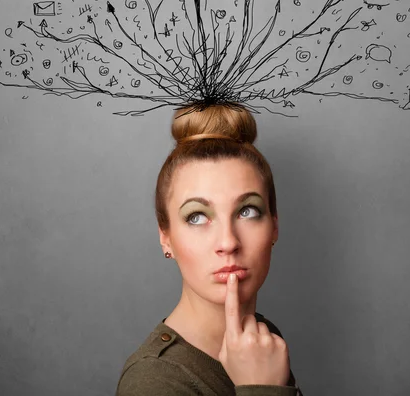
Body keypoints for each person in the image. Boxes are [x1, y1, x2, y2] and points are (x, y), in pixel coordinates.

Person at [116, 102, 303, 395]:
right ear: (166, 237)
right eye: (197, 217)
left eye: (248, 211)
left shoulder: (262, 344)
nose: (228, 242)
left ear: (274, 225)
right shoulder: (154, 383)